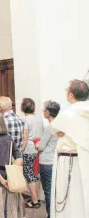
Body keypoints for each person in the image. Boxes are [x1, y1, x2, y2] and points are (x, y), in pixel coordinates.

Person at [50, 80, 89, 218]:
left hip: (69, 161)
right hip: (84, 160)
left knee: (69, 197)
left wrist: (65, 132)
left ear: (71, 94)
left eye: (67, 90)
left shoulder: (68, 114)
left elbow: (55, 130)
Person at [35, 100, 60, 218]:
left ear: (48, 112)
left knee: (48, 191)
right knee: (55, 190)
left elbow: (41, 146)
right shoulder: (60, 126)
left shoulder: (49, 128)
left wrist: (37, 144)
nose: (43, 112)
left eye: (44, 110)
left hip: (46, 162)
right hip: (56, 160)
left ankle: (51, 215)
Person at [20, 98, 41, 208]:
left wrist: (21, 150)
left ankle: (34, 201)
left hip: (28, 149)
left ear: (23, 107)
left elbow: (25, 137)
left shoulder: (25, 120)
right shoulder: (39, 119)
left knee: (29, 175)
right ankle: (37, 198)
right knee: (36, 174)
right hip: (38, 149)